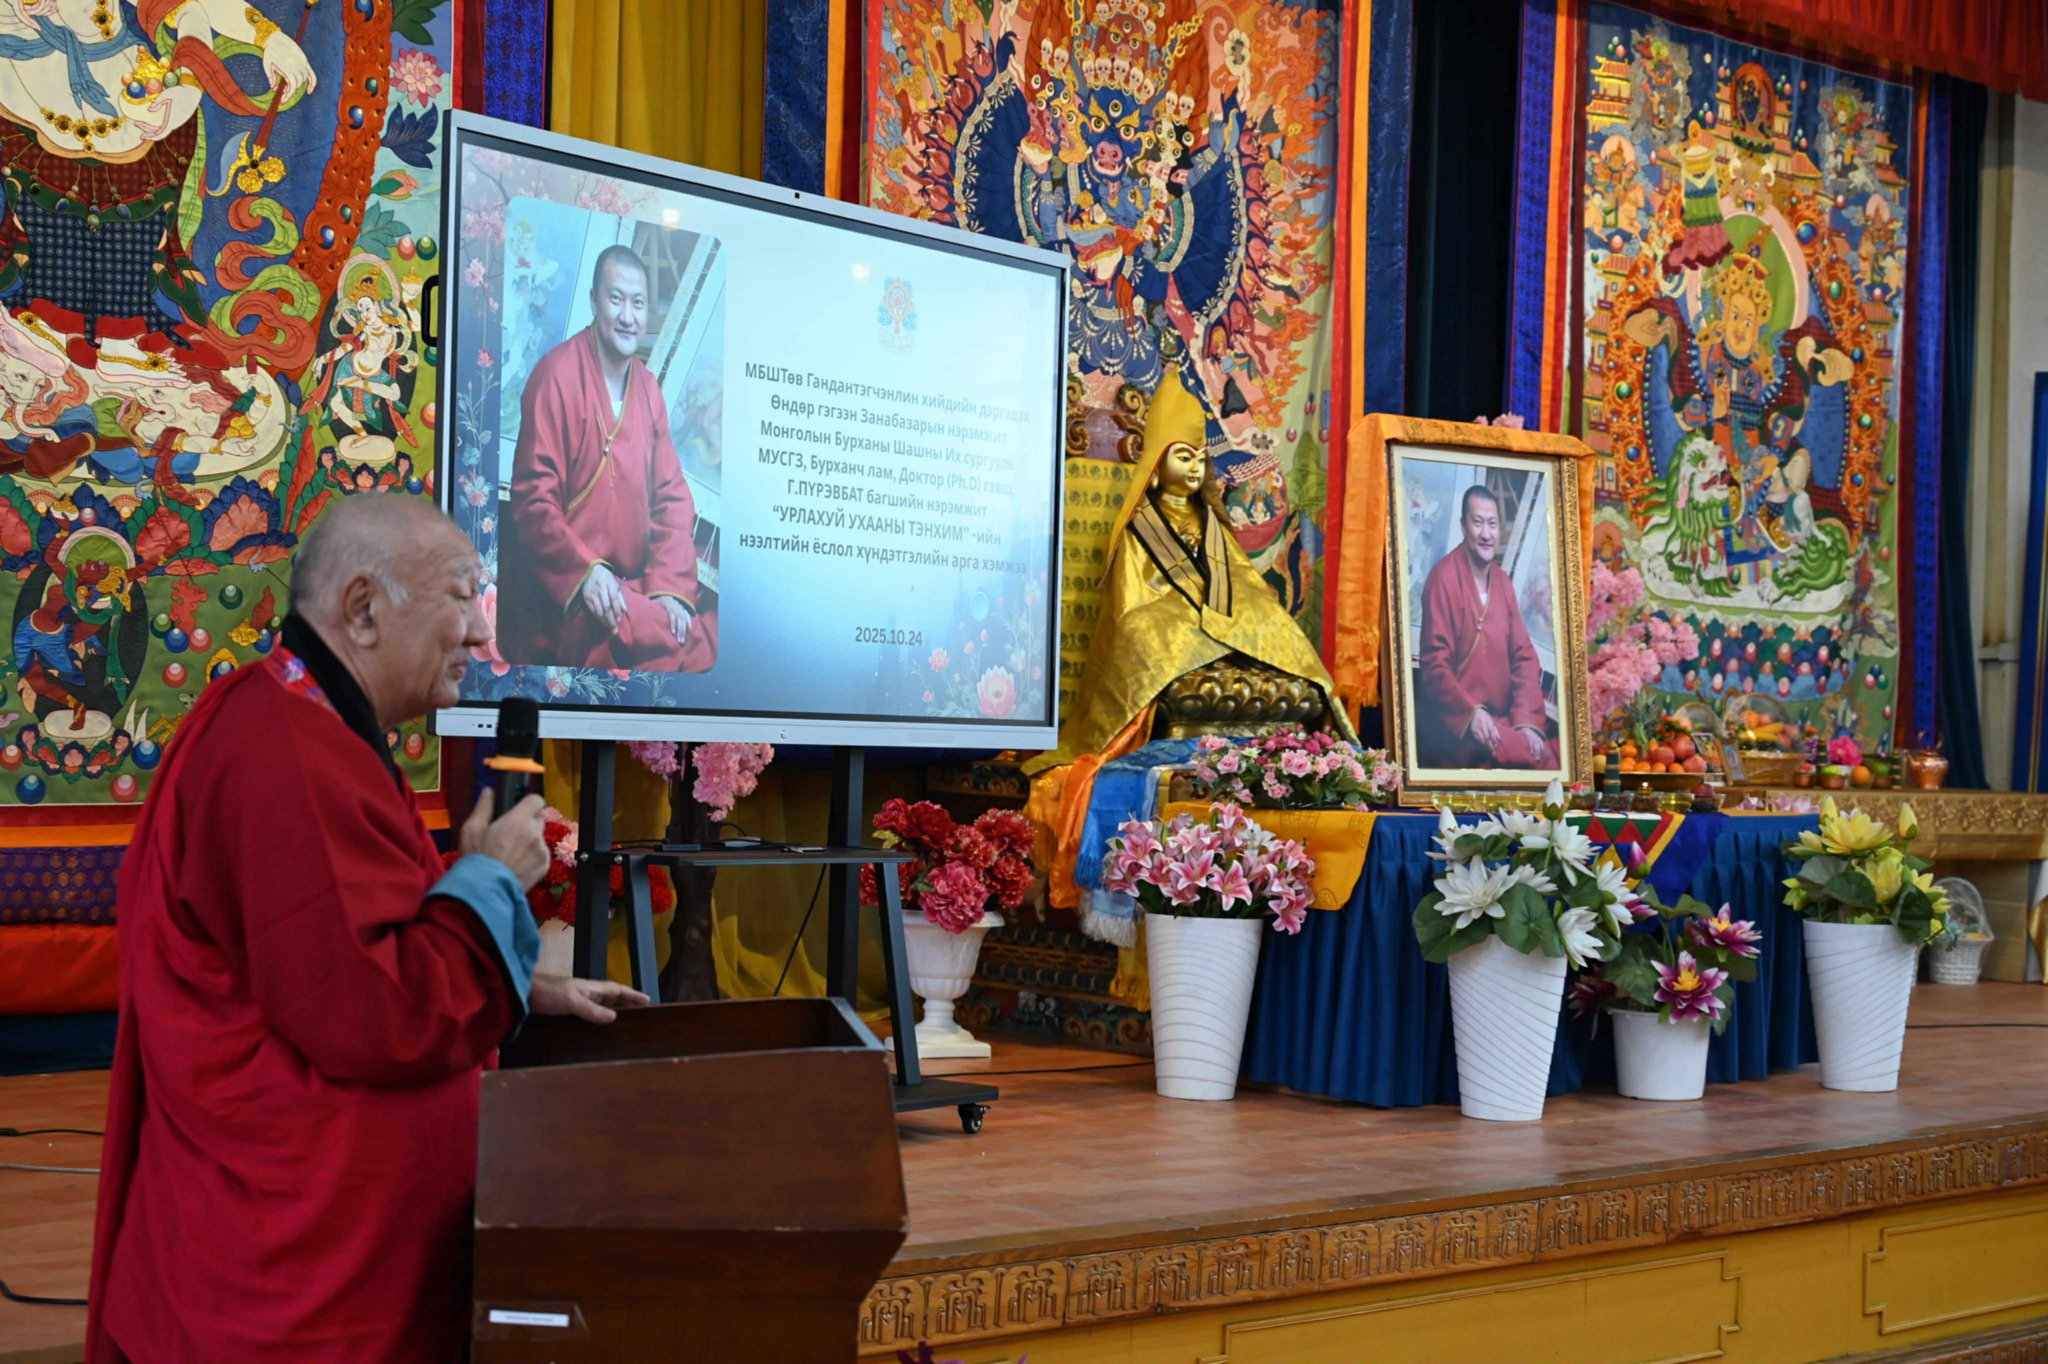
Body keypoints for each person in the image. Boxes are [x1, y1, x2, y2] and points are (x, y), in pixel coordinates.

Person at [85, 495, 647, 1364]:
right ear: (362, 608)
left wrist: (525, 986)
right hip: (288, 1285)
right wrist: (494, 881)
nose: (481, 634)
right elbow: (375, 1013)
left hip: (317, 1248)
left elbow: (336, 950)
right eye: (463, 596)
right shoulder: (283, 755)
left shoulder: (303, 722)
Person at [503, 244, 716, 671]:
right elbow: (532, 501)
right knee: (657, 648)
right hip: (570, 594)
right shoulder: (556, 377)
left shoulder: (649, 391)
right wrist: (585, 573)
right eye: (616, 299)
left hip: (634, 588)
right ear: (594, 302)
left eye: (638, 304)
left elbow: (672, 496)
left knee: (698, 636)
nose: (627, 316)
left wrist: (670, 589)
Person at [1415, 483, 1556, 770]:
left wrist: (1526, 721)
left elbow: (1524, 657)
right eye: (1477, 522)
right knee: (1540, 760)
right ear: (1463, 526)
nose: (1486, 533)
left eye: (1492, 524)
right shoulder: (1442, 578)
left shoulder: (1502, 582)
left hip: (1504, 720)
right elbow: (1434, 666)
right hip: (1461, 725)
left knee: (1548, 747)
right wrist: (1472, 713)